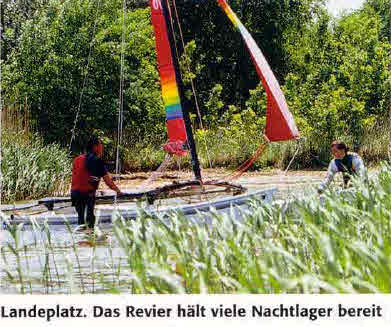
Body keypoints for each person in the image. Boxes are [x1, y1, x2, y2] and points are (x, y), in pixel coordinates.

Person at [71, 136, 122, 229]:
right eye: (100, 145)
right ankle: (88, 240)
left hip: (75, 193)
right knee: (90, 221)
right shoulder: (97, 161)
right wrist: (118, 191)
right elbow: (108, 181)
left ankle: (80, 240)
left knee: (81, 220)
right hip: (86, 194)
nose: (102, 147)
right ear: (95, 147)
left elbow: (79, 176)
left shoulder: (77, 159)